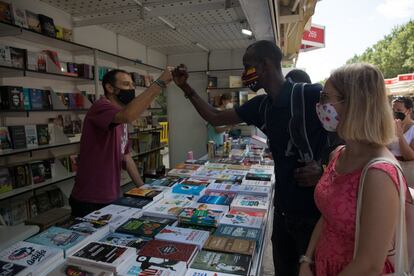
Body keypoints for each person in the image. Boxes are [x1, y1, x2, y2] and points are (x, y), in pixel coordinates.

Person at [173, 40, 328, 276]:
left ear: (264, 65)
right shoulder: (261, 105)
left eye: (248, 67)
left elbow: (348, 138)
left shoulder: (312, 95)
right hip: (283, 212)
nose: (245, 74)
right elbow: (215, 117)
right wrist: (187, 89)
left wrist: (324, 169)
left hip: (314, 217)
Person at [299, 63, 406, 276]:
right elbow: (327, 215)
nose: (320, 105)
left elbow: (369, 265)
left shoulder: (379, 174)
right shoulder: (338, 154)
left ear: (355, 105)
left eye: (326, 97)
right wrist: (306, 260)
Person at [70, 68, 173, 217]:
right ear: (110, 88)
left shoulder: (120, 117)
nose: (131, 89)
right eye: (126, 84)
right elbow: (128, 115)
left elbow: (126, 156)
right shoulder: (102, 107)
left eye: (132, 85)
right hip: (90, 199)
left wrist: (143, 189)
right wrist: (159, 83)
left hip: (112, 194)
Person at [388, 96, 414, 161]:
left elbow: (410, 157)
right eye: (393, 110)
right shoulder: (391, 126)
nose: (395, 113)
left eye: (399, 110)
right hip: (390, 162)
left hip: (405, 167)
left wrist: (400, 135)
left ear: (409, 110)